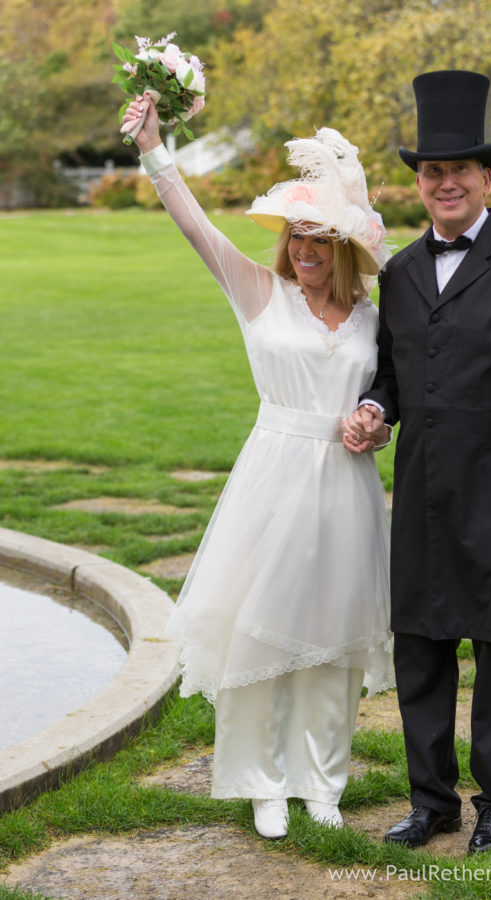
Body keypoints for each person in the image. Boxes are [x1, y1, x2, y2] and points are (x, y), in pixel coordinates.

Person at [121, 94, 394, 840]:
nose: (304, 249)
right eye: (296, 236)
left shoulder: (374, 315)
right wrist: (155, 151)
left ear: (344, 248)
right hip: (274, 475)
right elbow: (195, 225)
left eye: (320, 239)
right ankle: (261, 782)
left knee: (333, 638)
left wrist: (374, 422)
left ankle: (321, 782)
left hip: (346, 486)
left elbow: (387, 391)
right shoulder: (259, 293)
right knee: (263, 632)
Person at [343, 70, 491, 853]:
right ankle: (432, 802)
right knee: (420, 645)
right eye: (431, 172)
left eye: (460, 171)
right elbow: (393, 376)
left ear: (489, 177)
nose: (445, 183)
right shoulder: (402, 274)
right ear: (419, 181)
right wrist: (377, 408)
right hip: (420, 493)